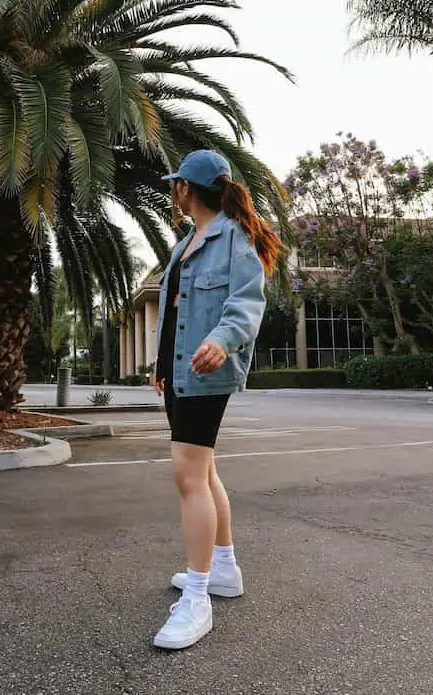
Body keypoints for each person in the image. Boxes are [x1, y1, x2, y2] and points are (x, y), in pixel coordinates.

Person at [152, 149, 283, 650]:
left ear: (188, 188)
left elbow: (247, 302)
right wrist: (160, 367)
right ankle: (224, 568)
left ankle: (198, 597)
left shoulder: (233, 238)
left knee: (186, 472)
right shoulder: (187, 241)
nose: (173, 191)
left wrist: (223, 340)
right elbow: (173, 311)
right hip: (181, 373)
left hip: (209, 371)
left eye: (176, 184)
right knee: (203, 472)